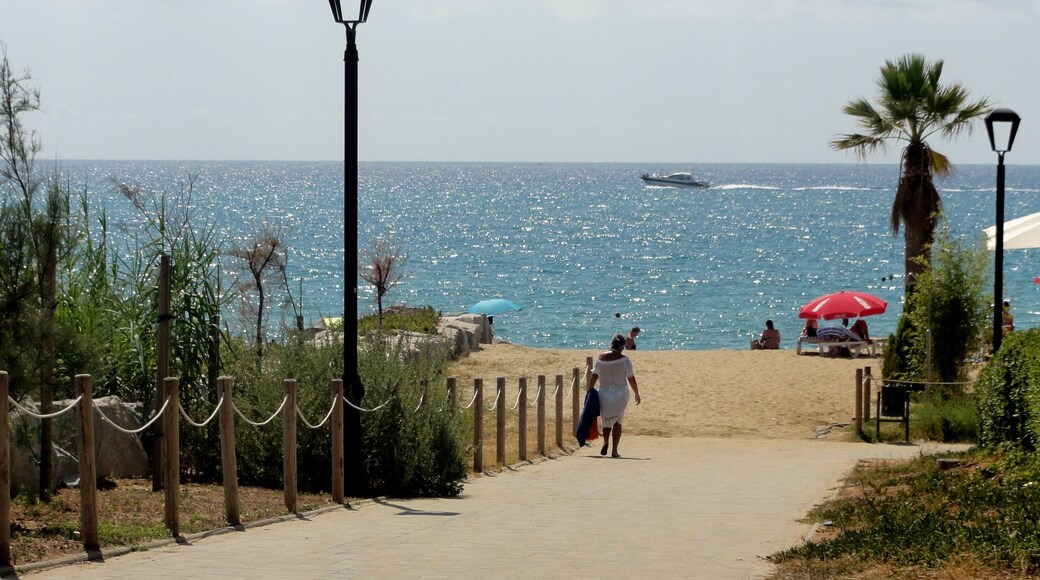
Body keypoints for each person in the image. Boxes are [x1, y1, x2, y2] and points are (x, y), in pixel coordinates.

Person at [588, 334, 641, 458]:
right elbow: (631, 378)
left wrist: (589, 390)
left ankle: (605, 441)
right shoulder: (624, 360)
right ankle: (614, 451)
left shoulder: (601, 358)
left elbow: (594, 376)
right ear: (622, 346)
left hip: (604, 392)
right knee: (618, 421)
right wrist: (636, 393)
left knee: (606, 420)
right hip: (620, 393)